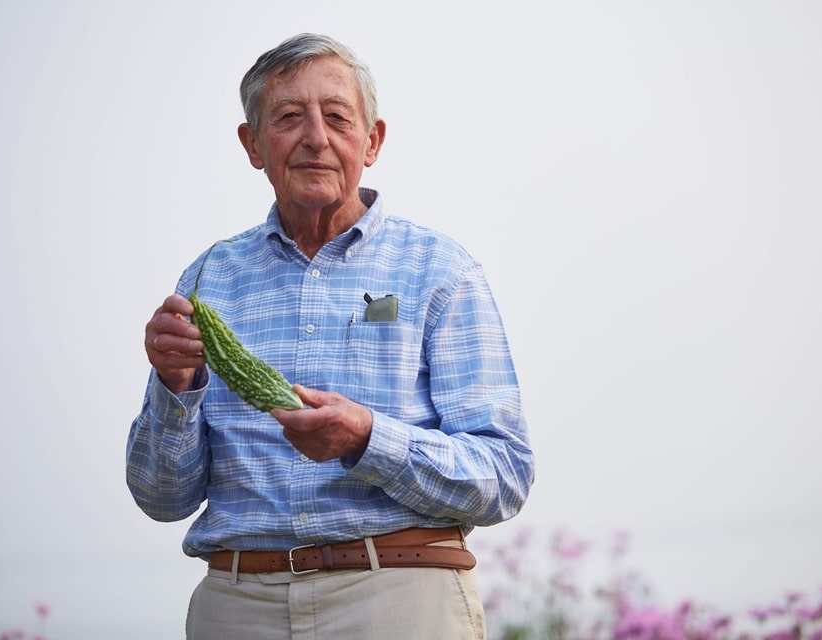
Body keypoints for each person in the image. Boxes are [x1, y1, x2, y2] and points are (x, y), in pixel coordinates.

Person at [126, 33, 534, 639]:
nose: (316, 137)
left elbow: (504, 476)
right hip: (239, 603)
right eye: (289, 117)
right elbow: (161, 498)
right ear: (253, 144)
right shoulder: (208, 279)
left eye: (338, 117)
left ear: (372, 141)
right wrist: (174, 386)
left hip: (397, 595)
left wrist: (368, 438)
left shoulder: (440, 271)